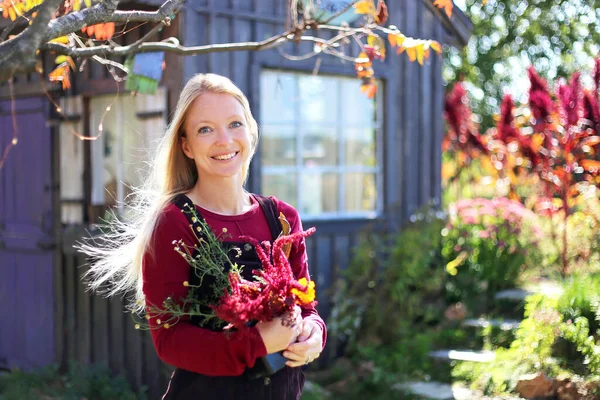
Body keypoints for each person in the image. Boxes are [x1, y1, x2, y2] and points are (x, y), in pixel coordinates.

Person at [81, 73, 326, 400]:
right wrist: (258, 344)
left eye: (235, 124)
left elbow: (306, 307)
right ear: (186, 145)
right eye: (205, 129)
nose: (224, 140)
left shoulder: (282, 218)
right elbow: (170, 342)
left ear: (251, 132)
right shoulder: (174, 223)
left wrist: (313, 335)